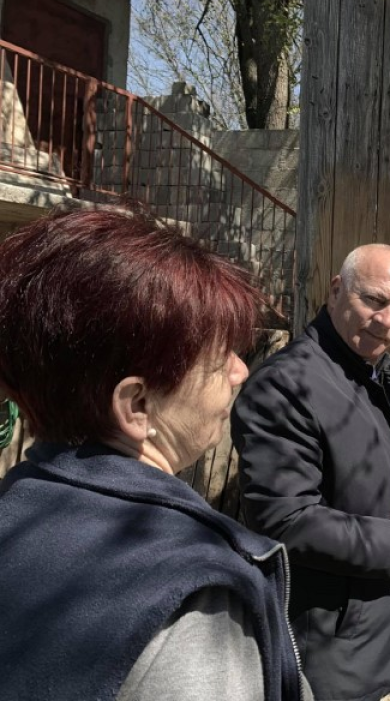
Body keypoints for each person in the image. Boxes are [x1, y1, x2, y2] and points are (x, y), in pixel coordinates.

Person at [0, 206, 311, 701]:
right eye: (220, 358)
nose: (240, 372)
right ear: (137, 405)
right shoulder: (193, 597)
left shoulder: (17, 505)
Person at [231, 243, 390, 701]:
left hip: (366, 636)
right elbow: (286, 520)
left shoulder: (369, 375)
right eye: (374, 300)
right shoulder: (287, 385)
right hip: (326, 650)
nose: (387, 321)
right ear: (336, 289)